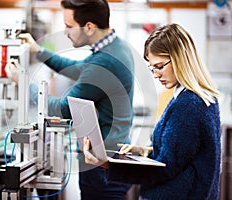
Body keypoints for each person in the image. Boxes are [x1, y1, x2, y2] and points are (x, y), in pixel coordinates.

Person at [5, 0, 135, 199]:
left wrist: (22, 83)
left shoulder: (105, 62)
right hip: (110, 159)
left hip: (102, 166)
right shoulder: (115, 47)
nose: (65, 31)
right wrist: (38, 51)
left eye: (69, 26)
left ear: (89, 27)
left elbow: (61, 110)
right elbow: (77, 69)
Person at [83, 23, 221, 200]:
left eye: (160, 66)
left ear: (180, 59)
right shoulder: (199, 98)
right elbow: (181, 156)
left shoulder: (189, 105)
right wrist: (144, 151)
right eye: (152, 68)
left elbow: (164, 169)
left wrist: (104, 163)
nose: (156, 74)